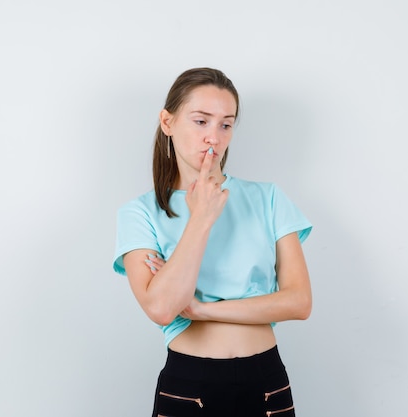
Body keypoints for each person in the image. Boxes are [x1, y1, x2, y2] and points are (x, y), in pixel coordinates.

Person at [113, 67, 312, 417]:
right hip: (189, 386)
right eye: (201, 121)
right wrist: (201, 218)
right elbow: (160, 308)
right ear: (168, 122)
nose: (214, 138)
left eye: (225, 124)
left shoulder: (268, 198)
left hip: (266, 381)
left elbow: (298, 302)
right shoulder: (140, 213)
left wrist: (201, 310)